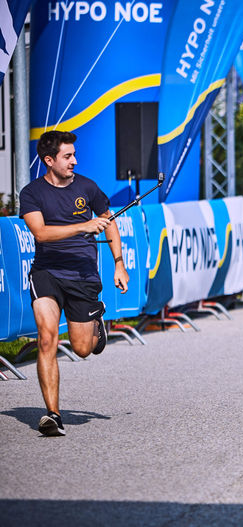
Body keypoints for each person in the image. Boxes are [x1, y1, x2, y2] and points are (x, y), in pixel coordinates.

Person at [19, 131, 129, 437]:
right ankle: (52, 414)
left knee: (82, 349)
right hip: (47, 272)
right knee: (46, 337)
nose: (74, 161)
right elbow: (40, 233)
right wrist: (84, 225)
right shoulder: (31, 193)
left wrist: (119, 263)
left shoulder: (87, 187)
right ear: (49, 160)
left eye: (74, 155)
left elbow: (110, 221)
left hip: (82, 275)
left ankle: (97, 325)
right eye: (67, 156)